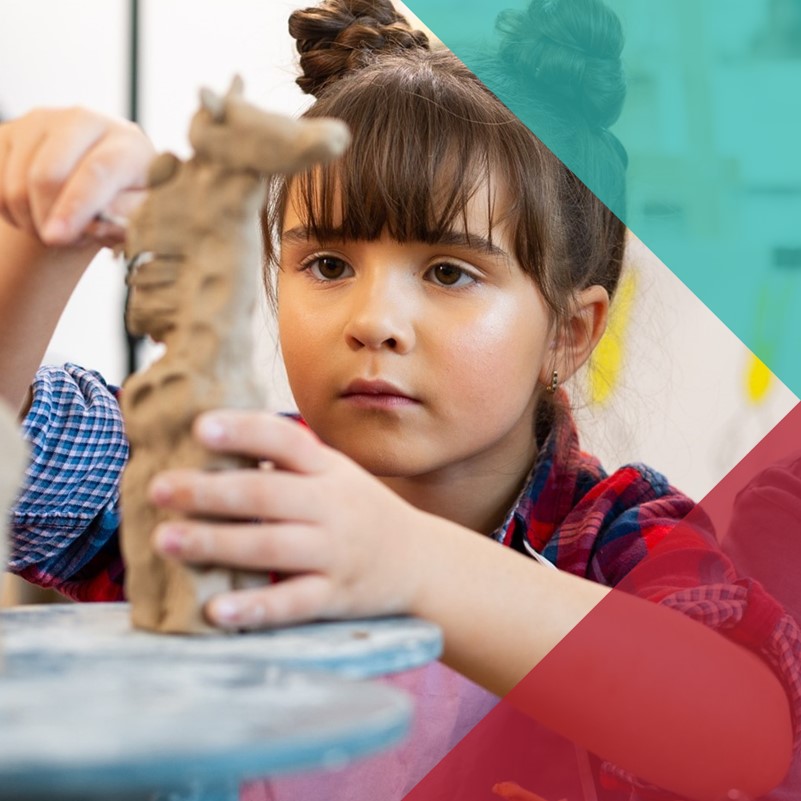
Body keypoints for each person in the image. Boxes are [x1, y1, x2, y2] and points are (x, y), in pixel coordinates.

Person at [0, 1, 798, 799]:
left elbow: (747, 734)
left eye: (449, 272)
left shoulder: (613, 540)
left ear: (567, 332)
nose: (373, 320)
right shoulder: (235, 495)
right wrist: (46, 235)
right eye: (328, 265)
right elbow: (23, 450)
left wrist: (405, 560)